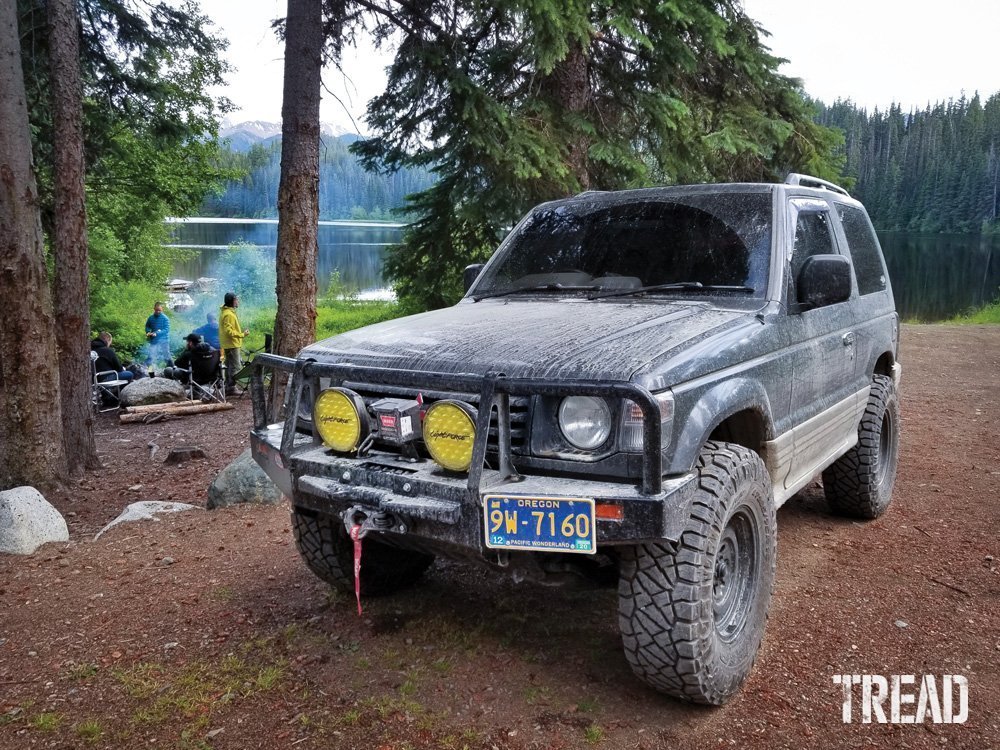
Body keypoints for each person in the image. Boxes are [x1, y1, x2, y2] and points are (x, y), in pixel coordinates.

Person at [219, 291, 248, 394]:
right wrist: (242, 334)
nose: (237, 301)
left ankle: (228, 387)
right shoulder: (228, 314)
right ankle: (231, 387)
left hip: (229, 344)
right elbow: (229, 331)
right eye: (236, 300)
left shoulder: (227, 312)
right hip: (232, 344)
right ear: (232, 301)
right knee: (235, 367)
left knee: (229, 365)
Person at [144, 301, 172, 371]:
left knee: (167, 356)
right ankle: (150, 373)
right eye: (156, 310)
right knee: (151, 356)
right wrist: (148, 332)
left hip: (164, 340)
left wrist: (157, 333)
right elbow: (147, 326)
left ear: (162, 309)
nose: (158, 311)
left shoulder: (165, 318)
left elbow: (166, 329)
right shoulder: (151, 318)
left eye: (159, 310)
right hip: (154, 340)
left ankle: (172, 371)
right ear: (154, 309)